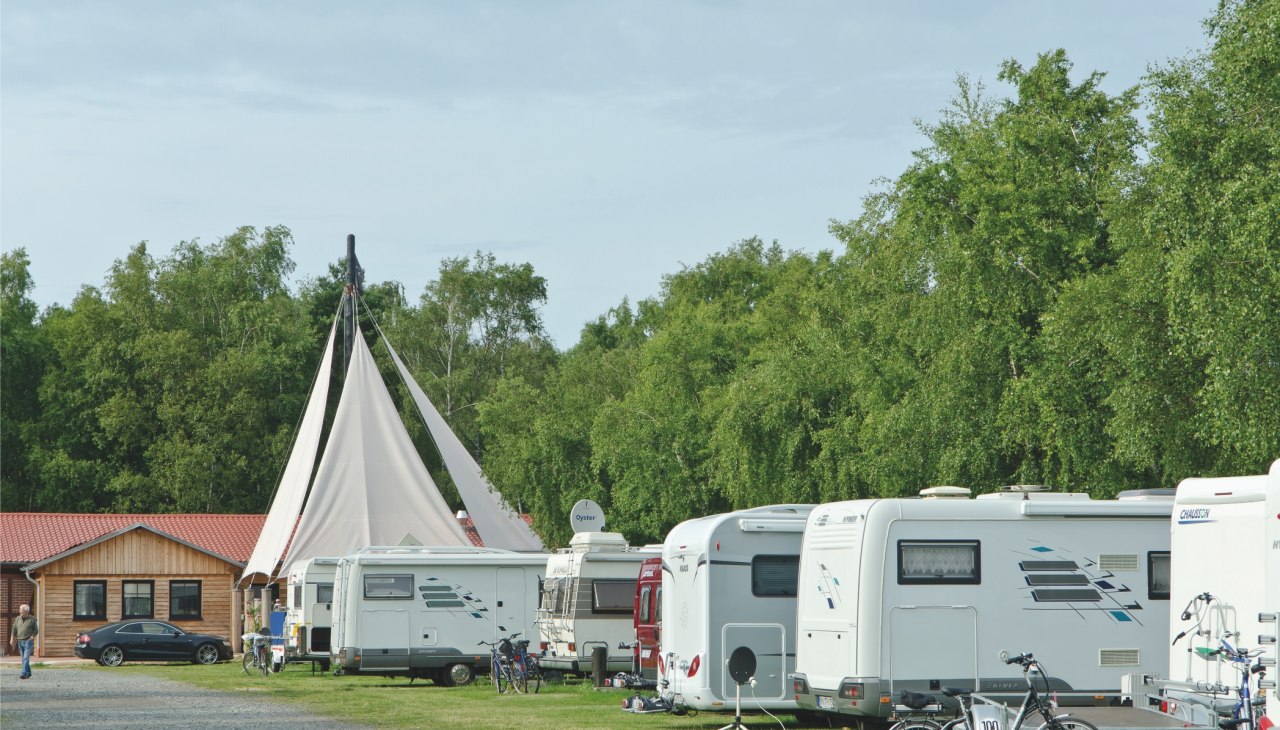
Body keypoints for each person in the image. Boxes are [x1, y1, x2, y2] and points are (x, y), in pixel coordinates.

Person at [10, 604, 39, 679]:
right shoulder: (17, 619)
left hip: (28, 641)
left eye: (22, 611)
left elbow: (36, 630)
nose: (20, 612)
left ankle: (23, 673)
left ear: (27, 611)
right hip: (20, 641)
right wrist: (12, 638)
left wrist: (32, 637)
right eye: (20, 610)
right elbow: (14, 629)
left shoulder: (32, 619)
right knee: (23, 658)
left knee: (26, 657)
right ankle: (28, 673)